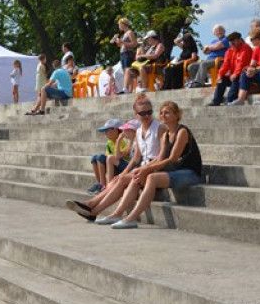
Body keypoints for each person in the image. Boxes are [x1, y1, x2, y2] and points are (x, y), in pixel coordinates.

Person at [97, 101, 203, 229]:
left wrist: (147, 169)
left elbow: (172, 159)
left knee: (151, 177)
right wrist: (143, 169)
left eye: (167, 113)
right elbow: (159, 158)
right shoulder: (166, 134)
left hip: (190, 172)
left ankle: (131, 218)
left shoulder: (182, 131)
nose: (163, 115)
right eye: (161, 113)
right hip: (173, 171)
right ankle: (117, 214)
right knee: (137, 176)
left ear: (176, 115)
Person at [67, 95, 162, 222]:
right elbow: (136, 158)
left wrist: (142, 169)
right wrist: (124, 172)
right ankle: (92, 208)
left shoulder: (159, 128)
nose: (147, 116)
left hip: (153, 168)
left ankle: (92, 208)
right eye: (143, 113)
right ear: (136, 114)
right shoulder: (139, 131)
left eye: (149, 112)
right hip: (142, 167)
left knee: (121, 179)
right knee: (116, 180)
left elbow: (162, 156)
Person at [207, 32, 251, 106]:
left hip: (243, 76)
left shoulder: (245, 49)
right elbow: (225, 65)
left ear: (238, 40)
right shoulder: (229, 51)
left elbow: (242, 63)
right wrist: (220, 75)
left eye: (233, 42)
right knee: (222, 79)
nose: (231, 44)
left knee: (236, 79)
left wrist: (235, 74)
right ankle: (216, 101)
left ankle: (231, 100)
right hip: (234, 75)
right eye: (230, 42)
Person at [89, 118, 132, 194]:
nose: (105, 133)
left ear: (116, 130)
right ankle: (100, 184)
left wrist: (118, 141)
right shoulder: (109, 142)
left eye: (107, 130)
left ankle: (104, 185)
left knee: (103, 157)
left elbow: (118, 156)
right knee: (95, 158)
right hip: (115, 165)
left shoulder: (124, 141)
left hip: (125, 166)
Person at [111, 18, 138, 93]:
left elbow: (134, 44)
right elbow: (121, 45)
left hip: (128, 53)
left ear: (123, 24)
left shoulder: (129, 32)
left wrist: (122, 42)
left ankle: (126, 89)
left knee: (127, 70)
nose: (118, 26)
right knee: (125, 71)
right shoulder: (124, 34)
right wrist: (117, 41)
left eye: (119, 24)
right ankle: (129, 90)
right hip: (123, 53)